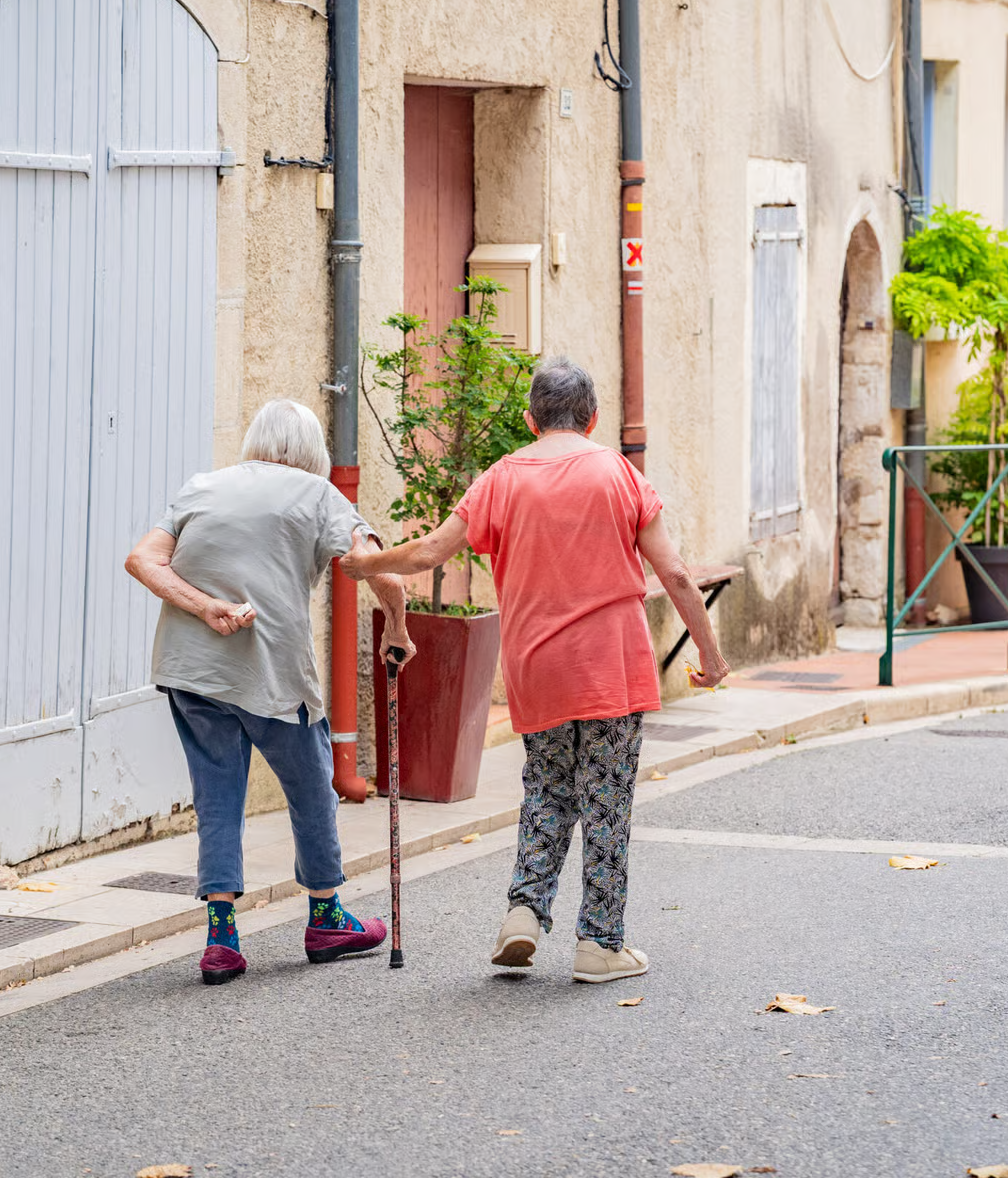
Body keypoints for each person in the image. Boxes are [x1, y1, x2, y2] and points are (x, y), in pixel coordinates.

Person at [343, 357, 729, 984]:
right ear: (594, 418)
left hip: (536, 667)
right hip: (612, 668)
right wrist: (710, 659)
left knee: (548, 789)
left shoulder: (501, 477)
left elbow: (432, 550)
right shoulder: (620, 473)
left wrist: (368, 565)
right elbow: (676, 574)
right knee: (605, 800)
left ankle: (524, 911)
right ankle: (600, 944)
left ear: (530, 418)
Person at [125, 399, 416, 986]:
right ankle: (328, 917)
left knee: (217, 797)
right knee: (312, 788)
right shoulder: (318, 494)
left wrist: (207, 608)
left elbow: (142, 560)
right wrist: (397, 626)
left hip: (193, 670)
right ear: (314, 453)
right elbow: (377, 567)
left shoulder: (202, 486)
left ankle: (222, 940)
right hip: (272, 673)